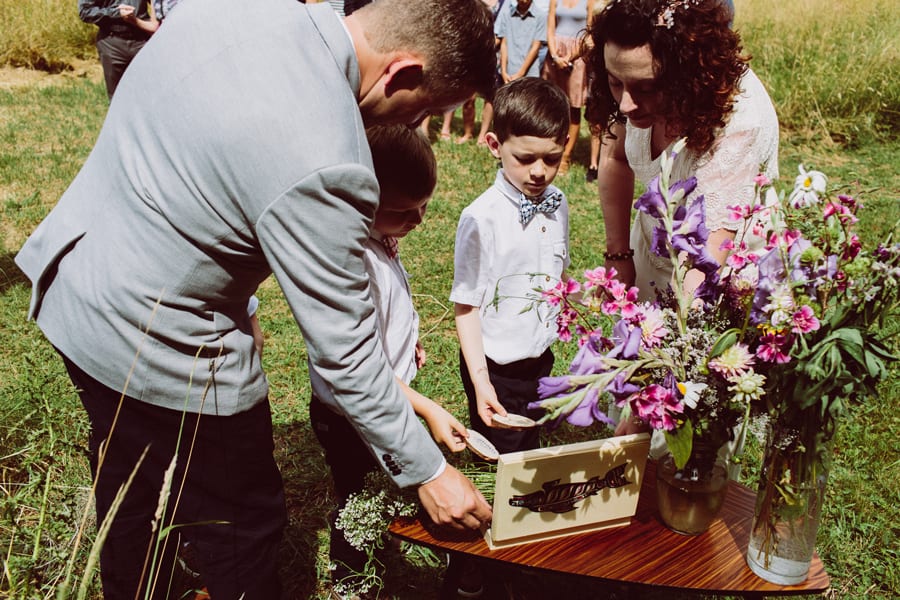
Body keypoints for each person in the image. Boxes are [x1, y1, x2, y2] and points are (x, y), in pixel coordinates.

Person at [14, 0, 497, 597]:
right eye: (425, 109)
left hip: (76, 286)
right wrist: (428, 473)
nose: (414, 123)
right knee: (240, 527)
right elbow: (346, 354)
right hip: (166, 344)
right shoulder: (331, 159)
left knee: (129, 492)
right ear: (401, 73)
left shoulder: (238, 7)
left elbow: (206, 158)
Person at [308, 125, 469, 596]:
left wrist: (407, 342)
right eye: (403, 210)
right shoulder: (353, 262)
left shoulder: (381, 236)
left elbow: (383, 317)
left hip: (383, 395)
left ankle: (375, 546)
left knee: (380, 485)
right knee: (357, 497)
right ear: (362, 201)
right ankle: (352, 578)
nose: (417, 219)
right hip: (349, 412)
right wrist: (427, 408)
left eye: (424, 206)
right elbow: (361, 365)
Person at [449, 76, 571, 598]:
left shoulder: (557, 202)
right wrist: (481, 383)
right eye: (525, 159)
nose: (539, 171)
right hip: (494, 365)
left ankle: (517, 549)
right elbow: (467, 306)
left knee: (527, 459)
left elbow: (555, 275)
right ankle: (473, 568)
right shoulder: (481, 218)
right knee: (497, 466)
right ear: (494, 145)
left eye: (552, 158)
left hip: (538, 357)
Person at [586, 0, 778, 306]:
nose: (625, 105)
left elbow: (706, 260)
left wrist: (676, 325)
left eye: (646, 88)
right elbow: (615, 158)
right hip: (655, 245)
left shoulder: (739, 119)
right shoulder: (630, 79)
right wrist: (618, 255)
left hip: (727, 265)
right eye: (614, 82)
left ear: (687, 75)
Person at [542, 0, 597, 175]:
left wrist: (571, 57)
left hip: (577, 55)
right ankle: (549, 148)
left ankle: (566, 156)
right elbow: (550, 27)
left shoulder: (589, 2)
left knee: (573, 107)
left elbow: (589, 34)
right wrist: (554, 55)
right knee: (550, 105)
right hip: (555, 54)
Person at [78, 0, 157, 98]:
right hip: (112, 44)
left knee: (151, 94)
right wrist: (116, 13)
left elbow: (160, 4)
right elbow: (85, 12)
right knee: (117, 97)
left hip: (143, 41)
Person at [495, 0, 547, 83]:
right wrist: (504, 71)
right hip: (509, 73)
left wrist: (520, 73)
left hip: (530, 73)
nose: (523, 1)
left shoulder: (541, 16)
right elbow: (504, 44)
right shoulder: (506, 15)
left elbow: (535, 47)